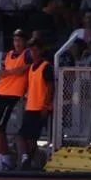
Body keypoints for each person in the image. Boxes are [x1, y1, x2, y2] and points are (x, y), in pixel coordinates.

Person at [0, 30, 32, 171]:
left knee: (0, 127)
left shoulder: (27, 54)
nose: (17, 43)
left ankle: (5, 160)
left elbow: (22, 70)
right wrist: (6, 73)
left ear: (25, 42)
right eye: (15, 40)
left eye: (20, 40)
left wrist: (7, 73)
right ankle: (0, 158)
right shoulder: (8, 54)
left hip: (11, 94)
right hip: (0, 91)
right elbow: (4, 71)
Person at [16, 37, 54, 169]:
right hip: (30, 107)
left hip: (39, 108)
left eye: (35, 49)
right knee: (25, 137)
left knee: (28, 137)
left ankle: (27, 160)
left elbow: (50, 87)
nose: (33, 52)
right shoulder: (31, 67)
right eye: (31, 50)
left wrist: (45, 106)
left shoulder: (46, 67)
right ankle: (27, 161)